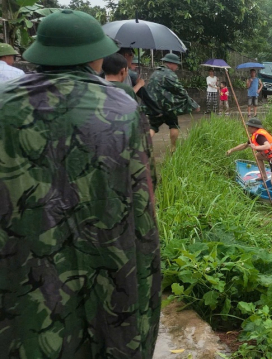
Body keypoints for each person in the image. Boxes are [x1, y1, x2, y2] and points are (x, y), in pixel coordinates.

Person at [0, 9, 160, 358]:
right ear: (97, 56)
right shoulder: (122, 106)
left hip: (24, 249)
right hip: (106, 245)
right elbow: (143, 189)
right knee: (103, 321)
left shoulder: (4, 104)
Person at [141, 53, 199, 151]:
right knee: (173, 125)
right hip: (168, 107)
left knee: (153, 127)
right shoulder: (170, 74)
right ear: (171, 63)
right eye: (176, 64)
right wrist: (194, 104)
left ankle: (143, 147)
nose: (177, 67)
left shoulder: (155, 73)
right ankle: (173, 148)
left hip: (154, 107)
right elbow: (180, 91)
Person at [226, 118, 272, 191]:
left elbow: (268, 146)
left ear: (254, 127)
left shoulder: (259, 136)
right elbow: (244, 145)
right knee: (258, 156)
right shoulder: (254, 136)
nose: (248, 128)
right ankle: (264, 176)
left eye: (249, 126)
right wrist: (231, 150)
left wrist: (256, 147)